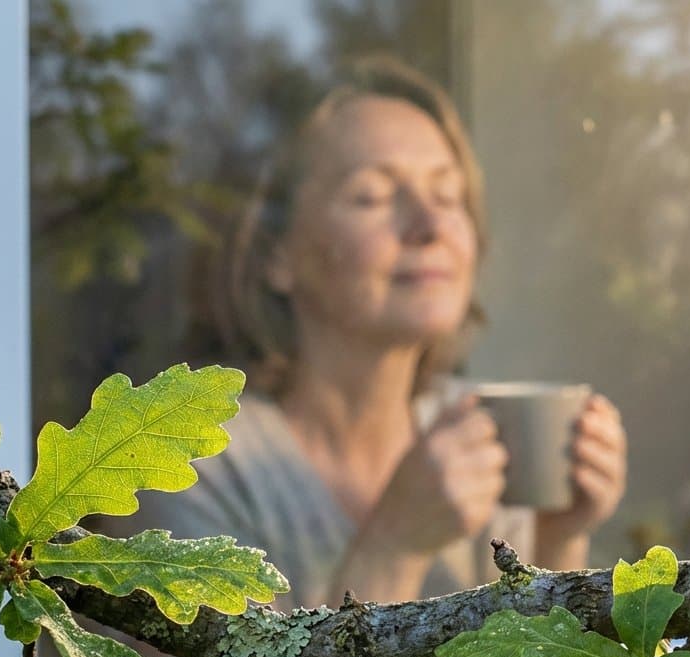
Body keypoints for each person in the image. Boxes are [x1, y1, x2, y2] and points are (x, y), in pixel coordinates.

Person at [124, 56, 627, 608]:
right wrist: (394, 546)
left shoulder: (490, 433)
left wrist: (559, 536)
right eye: (374, 196)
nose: (430, 227)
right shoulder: (187, 468)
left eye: (447, 195)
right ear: (275, 253)